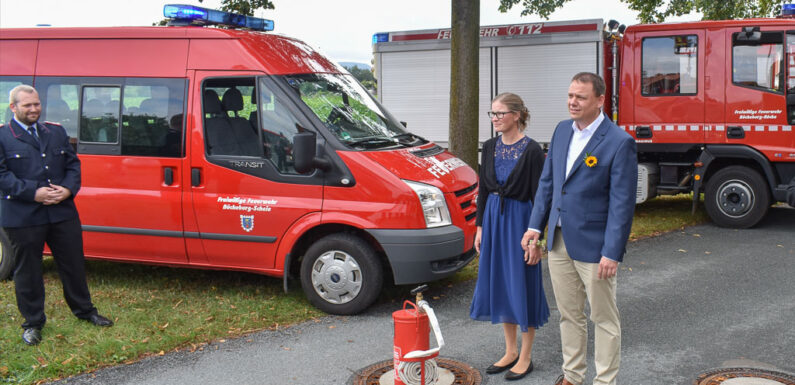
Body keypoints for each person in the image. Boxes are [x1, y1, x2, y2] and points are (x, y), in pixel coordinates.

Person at [522, 73, 637, 385]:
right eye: (570, 95)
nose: (572, 102)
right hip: (559, 242)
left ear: (599, 101)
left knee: (603, 318)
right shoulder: (562, 131)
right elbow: (548, 183)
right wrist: (535, 226)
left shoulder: (619, 142)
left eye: (581, 97)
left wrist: (612, 253)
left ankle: (604, 381)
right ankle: (572, 376)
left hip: (596, 247)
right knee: (569, 315)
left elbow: (622, 204)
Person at [0, 85, 113, 346]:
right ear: (13, 107)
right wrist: (33, 193)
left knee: (73, 264)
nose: (33, 109)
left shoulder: (56, 132)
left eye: (36, 104)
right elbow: (3, 176)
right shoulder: (4, 137)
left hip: (62, 211)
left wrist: (67, 189)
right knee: (27, 271)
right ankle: (33, 323)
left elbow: (73, 164)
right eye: (27, 105)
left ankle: (85, 311)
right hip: (24, 214)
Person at [470, 92, 549, 381]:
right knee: (502, 284)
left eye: (500, 113)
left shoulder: (532, 151)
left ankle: (526, 356)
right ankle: (510, 350)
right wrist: (480, 228)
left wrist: (537, 241)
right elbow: (482, 191)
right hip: (493, 220)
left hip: (521, 223)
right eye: (492, 114)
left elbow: (542, 197)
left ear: (517, 115)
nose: (494, 119)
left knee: (522, 285)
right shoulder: (489, 146)